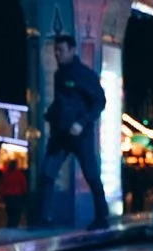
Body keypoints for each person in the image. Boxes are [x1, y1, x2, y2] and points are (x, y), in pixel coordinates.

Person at [43, 34, 110, 229]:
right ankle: (44, 219)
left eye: (61, 50)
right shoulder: (59, 75)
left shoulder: (84, 74)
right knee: (47, 174)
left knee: (91, 175)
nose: (57, 54)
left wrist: (81, 122)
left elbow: (99, 101)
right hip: (60, 135)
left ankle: (102, 217)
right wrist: (51, 114)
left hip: (81, 136)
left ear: (72, 51)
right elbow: (62, 101)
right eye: (55, 50)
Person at [0, 159, 29, 228]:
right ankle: (14, 226)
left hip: (8, 197)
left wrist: (1, 196)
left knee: (10, 214)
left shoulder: (6, 175)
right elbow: (23, 185)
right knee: (16, 214)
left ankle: (10, 226)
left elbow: (2, 186)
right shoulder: (20, 175)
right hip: (17, 196)